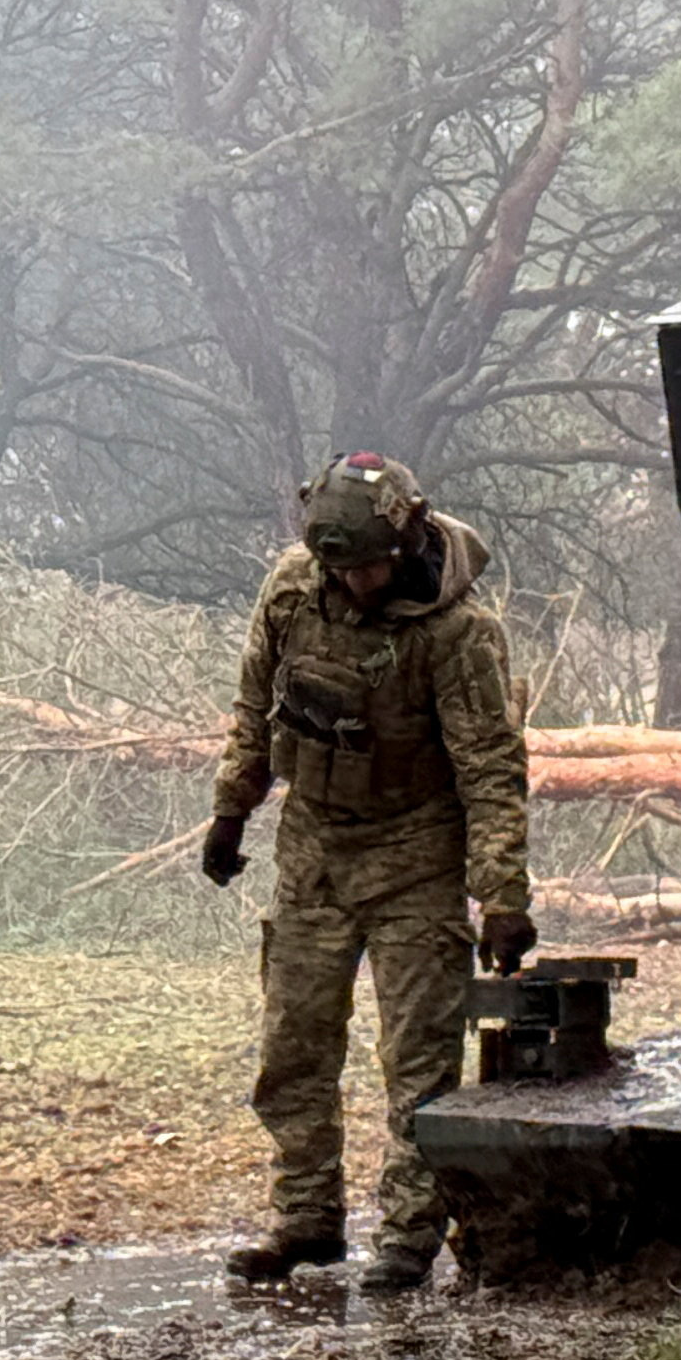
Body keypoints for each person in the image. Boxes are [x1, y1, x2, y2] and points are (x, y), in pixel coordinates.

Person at [202, 453, 534, 1294]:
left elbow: (490, 767)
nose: (355, 584)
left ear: (409, 532)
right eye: (339, 568)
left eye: (369, 566)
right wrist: (232, 810)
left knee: (416, 1061)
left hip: (416, 857)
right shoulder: (292, 591)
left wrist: (500, 894)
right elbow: (254, 709)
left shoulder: (457, 635)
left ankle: (409, 1234)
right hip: (314, 848)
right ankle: (305, 1216)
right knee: (293, 1046)